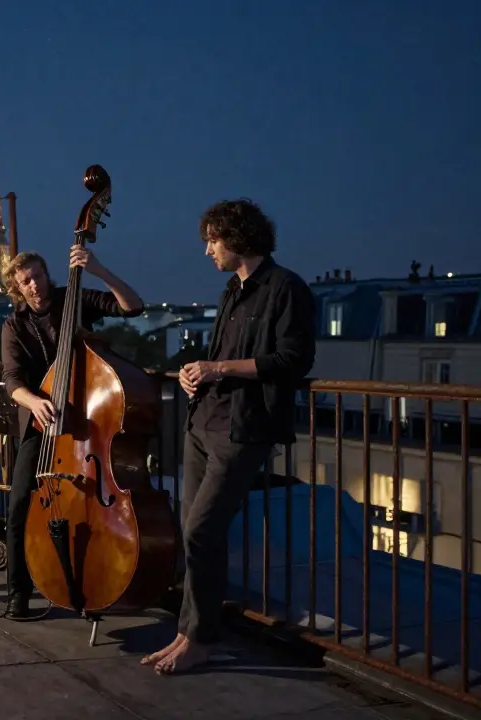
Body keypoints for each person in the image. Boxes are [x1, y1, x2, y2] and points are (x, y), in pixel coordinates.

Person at [143, 199, 314, 674]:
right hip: (204, 422)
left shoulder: (286, 288)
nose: (207, 251)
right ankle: (188, 632)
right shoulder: (230, 293)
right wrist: (193, 375)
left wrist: (217, 367)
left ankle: (201, 637)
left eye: (211, 241)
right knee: (196, 533)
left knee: (201, 530)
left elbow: (292, 360)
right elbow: (220, 358)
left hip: (243, 428)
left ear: (237, 238)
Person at [0, 249, 145, 620]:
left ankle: (93, 579)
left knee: (90, 505)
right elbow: (12, 380)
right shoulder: (14, 325)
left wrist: (97, 268)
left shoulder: (74, 299)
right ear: (17, 288)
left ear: (48, 274)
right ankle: (19, 591)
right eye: (26, 282)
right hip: (41, 426)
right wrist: (33, 401)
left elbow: (132, 307)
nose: (35, 286)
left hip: (85, 425)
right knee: (19, 506)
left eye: (38, 276)